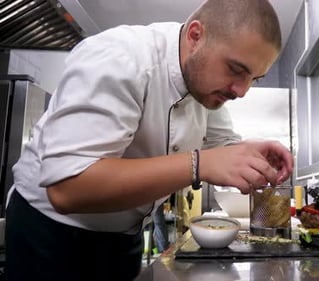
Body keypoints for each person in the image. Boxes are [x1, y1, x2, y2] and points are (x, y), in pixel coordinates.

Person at [4, 0, 293, 280]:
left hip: (124, 237)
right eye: (236, 69)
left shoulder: (206, 88)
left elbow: (219, 145)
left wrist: (248, 152)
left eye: (254, 79)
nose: (241, 91)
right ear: (196, 36)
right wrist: (197, 164)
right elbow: (67, 188)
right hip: (51, 236)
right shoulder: (120, 58)